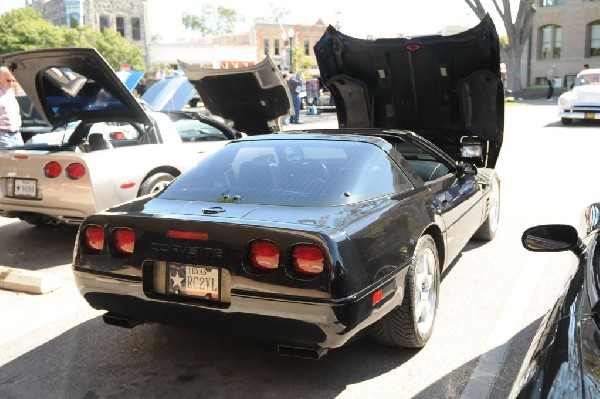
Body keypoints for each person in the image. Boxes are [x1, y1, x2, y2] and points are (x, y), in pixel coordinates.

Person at [0, 66, 22, 148]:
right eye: (8, 80)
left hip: (16, 134)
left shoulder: (10, 92)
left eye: (13, 80)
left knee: (21, 159)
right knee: (7, 161)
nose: (11, 83)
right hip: (3, 135)